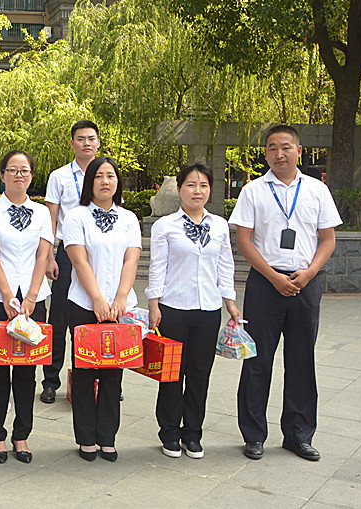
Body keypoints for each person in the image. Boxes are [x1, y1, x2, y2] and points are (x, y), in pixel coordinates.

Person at [229, 124, 341, 462]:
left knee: (302, 360)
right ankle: (254, 435)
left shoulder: (317, 190)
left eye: (286, 147)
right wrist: (274, 276)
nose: (280, 153)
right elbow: (244, 241)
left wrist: (307, 274)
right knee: (257, 361)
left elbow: (328, 239)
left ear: (299, 151)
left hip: (306, 284)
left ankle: (298, 434)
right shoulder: (253, 191)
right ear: (266, 154)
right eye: (273, 148)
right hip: (265, 284)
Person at [146, 163, 242, 459]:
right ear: (179, 190)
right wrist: (153, 303)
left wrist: (230, 301)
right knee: (172, 374)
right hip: (173, 308)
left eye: (202, 185)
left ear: (209, 190)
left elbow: (225, 265)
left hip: (208, 310)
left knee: (200, 373)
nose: (197, 190)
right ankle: (170, 432)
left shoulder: (219, 225)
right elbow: (157, 266)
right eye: (190, 185)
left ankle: (193, 433)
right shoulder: (166, 225)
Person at [0, 152, 53, 464]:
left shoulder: (43, 212)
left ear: (32, 176)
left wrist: (31, 297)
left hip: (34, 302)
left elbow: (43, 255)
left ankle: (22, 435)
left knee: (26, 371)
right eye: (12, 170)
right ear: (2, 175)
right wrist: (8, 296)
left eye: (24, 171)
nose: (18, 175)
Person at [62, 156, 141, 462]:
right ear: (89, 182)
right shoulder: (76, 217)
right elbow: (79, 260)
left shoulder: (129, 218)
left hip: (119, 307)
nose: (106, 181)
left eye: (111, 176)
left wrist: (121, 297)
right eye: (99, 177)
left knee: (113, 374)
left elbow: (131, 260)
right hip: (84, 305)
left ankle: (107, 437)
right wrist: (96, 298)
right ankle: (86, 438)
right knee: (84, 373)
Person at [41, 120, 101, 404]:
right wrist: (51, 255)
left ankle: (95, 376)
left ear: (98, 142)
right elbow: (51, 218)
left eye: (91, 138)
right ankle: (51, 380)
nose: (86, 143)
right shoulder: (60, 176)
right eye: (81, 139)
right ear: (73, 143)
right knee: (60, 316)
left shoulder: (106, 175)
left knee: (96, 314)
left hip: (99, 252)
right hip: (66, 251)